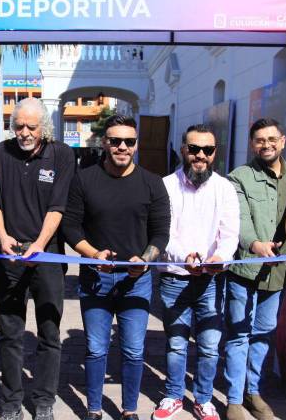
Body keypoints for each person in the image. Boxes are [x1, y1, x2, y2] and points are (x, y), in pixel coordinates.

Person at [62, 114, 170, 420]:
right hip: (95, 279)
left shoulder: (152, 183)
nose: (123, 147)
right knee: (96, 349)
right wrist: (93, 254)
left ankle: (129, 410)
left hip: (137, 281)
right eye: (116, 141)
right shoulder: (84, 179)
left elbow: (161, 232)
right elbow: (71, 226)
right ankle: (94, 409)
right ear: (104, 142)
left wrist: (145, 260)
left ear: (136, 145)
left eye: (129, 141)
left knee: (134, 350)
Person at [0, 98, 75, 420]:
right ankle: (11, 402)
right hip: (9, 256)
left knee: (49, 334)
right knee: (10, 334)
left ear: (45, 128)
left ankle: (44, 400)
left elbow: (58, 206)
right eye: (19, 126)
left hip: (47, 256)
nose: (24, 132)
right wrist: (2, 237)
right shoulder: (1, 153)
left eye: (31, 127)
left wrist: (39, 244)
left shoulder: (62, 155)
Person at [151, 124, 239, 420]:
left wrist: (219, 257)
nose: (200, 155)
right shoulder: (165, 185)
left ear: (215, 153)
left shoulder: (225, 188)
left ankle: (203, 399)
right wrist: (184, 256)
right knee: (176, 344)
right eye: (194, 149)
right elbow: (163, 233)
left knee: (210, 346)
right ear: (183, 150)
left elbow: (230, 235)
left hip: (211, 279)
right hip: (174, 276)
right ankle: (174, 396)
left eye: (207, 150)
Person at [223, 118, 286, 420]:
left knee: (264, 333)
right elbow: (239, 218)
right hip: (245, 268)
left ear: (283, 141)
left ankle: (253, 392)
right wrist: (255, 245)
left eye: (271, 139)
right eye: (259, 140)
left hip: (279, 270)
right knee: (239, 333)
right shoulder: (239, 177)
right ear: (252, 144)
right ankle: (233, 399)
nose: (266, 145)